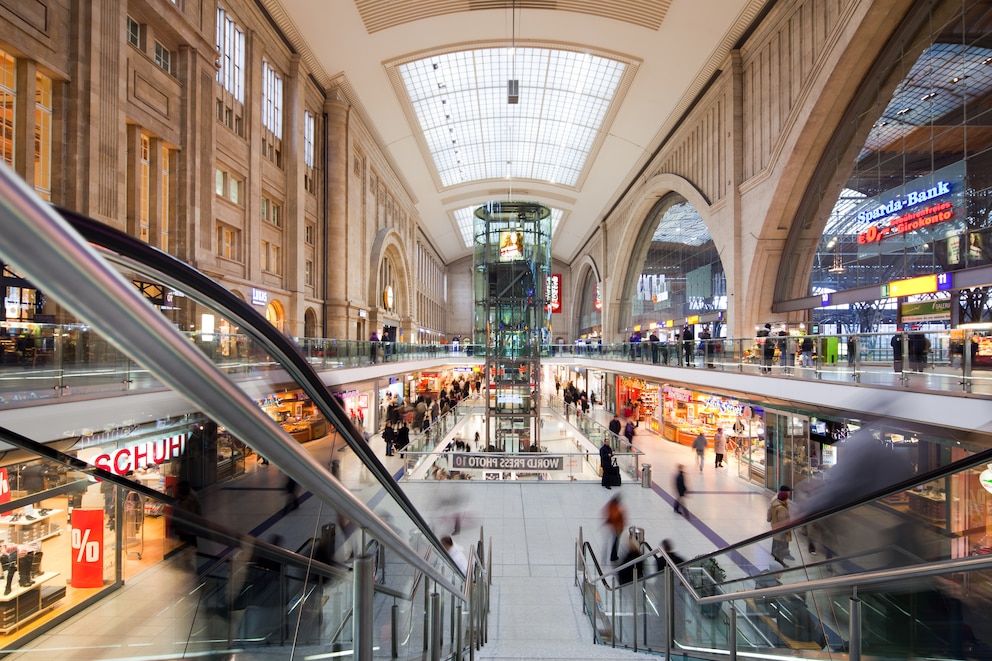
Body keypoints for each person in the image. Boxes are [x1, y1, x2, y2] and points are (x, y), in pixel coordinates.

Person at [768, 485, 793, 566]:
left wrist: (769, 519)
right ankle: (780, 563)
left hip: (775, 527)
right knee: (781, 546)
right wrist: (786, 531)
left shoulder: (776, 502)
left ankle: (778, 559)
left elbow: (769, 514)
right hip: (781, 530)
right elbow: (783, 521)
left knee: (778, 545)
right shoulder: (781, 507)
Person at [174, 480, 202, 548]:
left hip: (187, 527)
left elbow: (185, 516)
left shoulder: (187, 501)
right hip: (190, 527)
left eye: (179, 490)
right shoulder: (191, 498)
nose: (177, 492)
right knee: (191, 542)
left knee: (187, 543)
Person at [604, 494, 626, 562]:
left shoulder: (611, 506)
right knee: (615, 541)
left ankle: (614, 555)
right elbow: (615, 517)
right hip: (617, 527)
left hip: (615, 527)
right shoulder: (616, 509)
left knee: (615, 540)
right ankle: (613, 556)